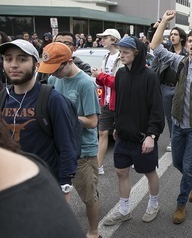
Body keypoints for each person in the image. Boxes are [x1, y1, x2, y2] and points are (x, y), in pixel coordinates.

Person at [150, 10, 192, 224]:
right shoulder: (179, 62)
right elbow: (155, 46)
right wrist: (164, 21)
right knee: (179, 164)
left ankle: (181, 204)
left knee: (186, 167)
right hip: (178, 124)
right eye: (190, 41)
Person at [0, 39, 77, 201]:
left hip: (44, 184)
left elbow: (67, 145)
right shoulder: (2, 98)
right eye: (8, 59)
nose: (14, 65)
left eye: (22, 59)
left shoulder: (52, 99)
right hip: (10, 184)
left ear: (36, 65)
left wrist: (65, 185)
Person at [38, 42, 101, 238]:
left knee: (89, 197)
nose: (53, 73)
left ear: (69, 62)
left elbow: (92, 122)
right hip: (59, 147)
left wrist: (65, 116)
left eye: (56, 69)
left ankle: (93, 232)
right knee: (58, 193)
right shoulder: (53, 80)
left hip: (83, 150)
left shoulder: (86, 84)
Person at [102, 36, 165, 226]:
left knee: (149, 172)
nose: (121, 55)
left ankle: (153, 204)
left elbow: (156, 109)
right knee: (121, 171)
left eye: (125, 52)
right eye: (120, 52)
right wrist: (117, 126)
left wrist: (151, 135)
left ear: (136, 54)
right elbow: (120, 103)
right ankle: (123, 210)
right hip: (123, 134)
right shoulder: (121, 74)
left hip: (143, 137)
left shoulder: (149, 76)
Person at [149, 25, 187, 152]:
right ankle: (173, 139)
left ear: (181, 38)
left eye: (175, 34)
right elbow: (154, 47)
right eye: (171, 34)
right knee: (169, 117)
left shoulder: (186, 54)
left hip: (180, 88)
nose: (172, 36)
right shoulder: (166, 51)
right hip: (165, 87)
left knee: (179, 115)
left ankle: (180, 138)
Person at [91, 28, 123, 175]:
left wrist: (100, 75)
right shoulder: (105, 57)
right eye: (101, 37)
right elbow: (103, 81)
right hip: (106, 101)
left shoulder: (121, 57)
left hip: (120, 102)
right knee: (102, 132)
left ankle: (132, 160)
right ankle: (99, 165)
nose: (102, 40)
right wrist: (98, 78)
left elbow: (119, 83)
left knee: (124, 134)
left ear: (114, 40)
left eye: (105, 37)